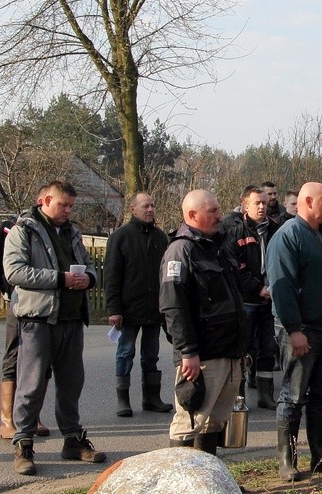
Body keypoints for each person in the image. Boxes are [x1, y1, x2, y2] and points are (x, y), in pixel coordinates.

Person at [4, 181, 105, 476]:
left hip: (71, 318)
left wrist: (89, 278)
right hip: (38, 319)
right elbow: (15, 271)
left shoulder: (73, 232)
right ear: (45, 200)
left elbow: (89, 266)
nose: (68, 211)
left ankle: (73, 441)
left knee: (71, 384)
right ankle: (23, 444)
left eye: (72, 206)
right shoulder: (23, 229)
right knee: (31, 385)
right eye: (63, 205)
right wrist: (60, 279)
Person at [266, 182, 322, 481]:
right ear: (307, 201)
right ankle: (287, 460)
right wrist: (294, 329)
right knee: (293, 396)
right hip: (302, 330)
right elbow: (283, 287)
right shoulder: (288, 236)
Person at [160, 190, 250, 455]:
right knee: (190, 421)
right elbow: (173, 306)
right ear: (192, 215)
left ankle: (207, 482)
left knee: (213, 423)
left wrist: (241, 350)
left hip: (229, 351)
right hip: (203, 356)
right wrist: (188, 352)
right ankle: (181, 483)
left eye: (219, 209)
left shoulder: (219, 246)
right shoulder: (180, 251)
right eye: (212, 211)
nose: (219, 215)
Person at [104, 192, 172, 417]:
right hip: (128, 309)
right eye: (146, 206)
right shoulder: (120, 237)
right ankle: (123, 400)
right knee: (125, 353)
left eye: (153, 205)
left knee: (151, 355)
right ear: (133, 209)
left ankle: (151, 398)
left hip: (154, 309)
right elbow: (111, 276)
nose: (151, 209)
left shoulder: (161, 238)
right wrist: (114, 309)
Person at [0, 214, 52, 440]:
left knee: (42, 359)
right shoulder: (12, 229)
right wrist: (8, 291)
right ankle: (7, 420)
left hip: (45, 304)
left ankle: (33, 417)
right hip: (18, 302)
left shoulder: (54, 231)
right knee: (13, 355)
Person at [222, 187, 280, 409]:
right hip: (247, 301)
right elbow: (237, 268)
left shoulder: (276, 229)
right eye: (257, 203)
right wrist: (259, 289)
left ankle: (266, 395)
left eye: (264, 202)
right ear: (245, 206)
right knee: (243, 348)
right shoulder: (236, 232)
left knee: (268, 347)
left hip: (270, 302)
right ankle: (239, 395)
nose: (262, 206)